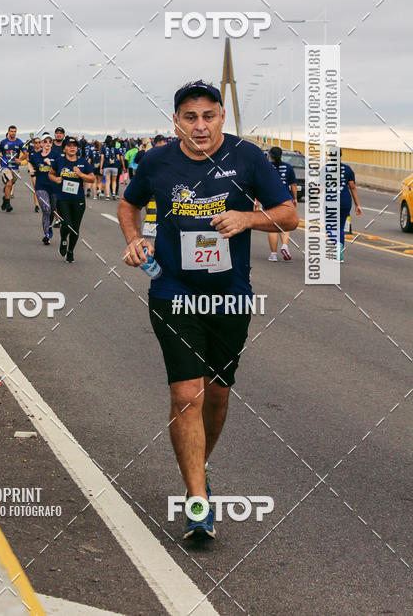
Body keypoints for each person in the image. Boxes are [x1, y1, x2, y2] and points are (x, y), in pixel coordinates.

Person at [118, 80, 298, 540]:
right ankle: (198, 500)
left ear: (222, 116)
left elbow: (288, 214)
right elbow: (128, 203)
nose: (200, 125)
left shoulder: (247, 157)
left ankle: (198, 466)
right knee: (186, 395)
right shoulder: (157, 160)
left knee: (217, 394)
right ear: (176, 120)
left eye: (209, 115)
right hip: (172, 291)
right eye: (190, 117)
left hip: (230, 295)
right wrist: (135, 240)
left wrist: (248, 219)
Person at [49, 136, 95, 262]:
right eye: (69, 146)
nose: (72, 148)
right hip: (63, 199)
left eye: (74, 146)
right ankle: (64, 240)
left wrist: (80, 174)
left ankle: (70, 251)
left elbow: (92, 178)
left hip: (78, 199)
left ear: (77, 148)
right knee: (67, 224)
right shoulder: (59, 161)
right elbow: (51, 174)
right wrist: (56, 179)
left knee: (75, 228)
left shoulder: (83, 162)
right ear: (64, 148)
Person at [267, 147, 298, 262]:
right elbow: (293, 185)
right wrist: (294, 198)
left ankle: (273, 254)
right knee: (285, 225)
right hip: (285, 198)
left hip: (269, 198)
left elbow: (258, 184)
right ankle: (285, 245)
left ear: (270, 155)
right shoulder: (288, 167)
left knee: (272, 227)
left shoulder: (267, 167)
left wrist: (256, 200)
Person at [29, 136, 58, 244]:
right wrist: (31, 169)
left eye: (50, 142)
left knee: (52, 209)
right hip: (41, 186)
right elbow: (30, 162)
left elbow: (60, 168)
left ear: (52, 144)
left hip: (53, 186)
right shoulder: (36, 155)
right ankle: (47, 234)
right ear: (41, 143)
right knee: (46, 208)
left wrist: (50, 163)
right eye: (45, 141)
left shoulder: (55, 155)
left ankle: (49, 226)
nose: (47, 143)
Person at [337, 151, 362, 260]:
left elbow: (322, 187)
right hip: (345, 202)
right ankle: (339, 253)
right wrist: (358, 205)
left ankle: (336, 246)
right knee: (341, 227)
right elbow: (352, 187)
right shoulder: (348, 169)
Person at [0, 125, 24, 212]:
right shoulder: (3, 142)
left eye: (14, 131)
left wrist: (20, 160)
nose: (13, 133)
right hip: (6, 166)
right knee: (9, 183)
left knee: (10, 184)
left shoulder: (19, 142)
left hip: (15, 168)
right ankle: (8, 204)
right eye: (11, 131)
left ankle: (5, 199)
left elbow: (26, 153)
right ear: (8, 132)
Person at [28, 135, 45, 213]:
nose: (37, 144)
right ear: (33, 143)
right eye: (36, 143)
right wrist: (30, 169)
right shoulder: (31, 152)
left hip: (43, 172)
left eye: (39, 142)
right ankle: (37, 205)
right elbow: (29, 161)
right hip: (34, 172)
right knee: (36, 188)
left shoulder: (44, 151)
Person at [100, 135, 121, 200]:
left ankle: (108, 196)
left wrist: (101, 168)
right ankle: (114, 193)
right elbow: (118, 158)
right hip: (115, 167)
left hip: (106, 166)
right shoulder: (116, 149)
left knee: (107, 181)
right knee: (114, 181)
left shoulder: (103, 149)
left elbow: (102, 159)